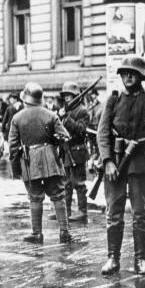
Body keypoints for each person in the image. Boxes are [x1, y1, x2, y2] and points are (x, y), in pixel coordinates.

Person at [97, 55, 145, 276]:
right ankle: (113, 258)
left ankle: (140, 260)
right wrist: (108, 161)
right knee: (114, 213)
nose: (128, 76)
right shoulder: (113, 101)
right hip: (116, 165)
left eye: (133, 73)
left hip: (139, 165)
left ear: (140, 76)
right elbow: (102, 134)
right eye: (124, 73)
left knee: (140, 214)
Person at [9, 82, 72, 244]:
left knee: (35, 197)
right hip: (51, 160)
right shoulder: (51, 115)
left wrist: (16, 169)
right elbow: (65, 137)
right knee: (58, 195)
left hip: (30, 162)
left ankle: (37, 234)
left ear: (25, 100)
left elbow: (13, 147)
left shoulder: (17, 118)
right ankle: (64, 232)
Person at [58, 82, 90, 222]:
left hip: (77, 151)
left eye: (69, 96)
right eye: (65, 96)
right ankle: (67, 210)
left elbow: (81, 130)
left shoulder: (82, 111)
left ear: (76, 96)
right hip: (66, 150)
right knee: (66, 183)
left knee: (79, 183)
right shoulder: (65, 110)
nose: (66, 99)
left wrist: (66, 118)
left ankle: (82, 211)